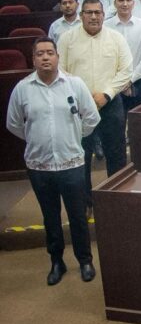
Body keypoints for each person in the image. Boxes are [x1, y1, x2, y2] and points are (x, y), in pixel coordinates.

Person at [6, 38, 101, 285]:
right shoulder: (23, 88)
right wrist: (36, 139)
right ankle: (57, 261)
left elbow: (91, 117)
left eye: (50, 53)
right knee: (50, 216)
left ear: (58, 56)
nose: (45, 57)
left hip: (72, 163)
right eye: (40, 54)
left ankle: (85, 260)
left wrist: (74, 138)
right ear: (33, 58)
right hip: (40, 166)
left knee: (78, 216)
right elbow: (13, 123)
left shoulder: (74, 84)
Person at [57, 0, 133, 190]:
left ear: (103, 15)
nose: (93, 16)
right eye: (88, 12)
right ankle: (85, 203)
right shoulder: (67, 39)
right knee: (80, 156)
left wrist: (106, 94)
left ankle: (116, 197)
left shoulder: (116, 38)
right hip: (77, 107)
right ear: (81, 15)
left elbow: (126, 71)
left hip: (110, 103)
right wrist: (82, 96)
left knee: (116, 154)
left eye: (97, 12)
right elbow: (60, 70)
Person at [105, 0, 141, 111]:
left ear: (133, 3)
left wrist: (130, 80)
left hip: (139, 82)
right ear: (114, 3)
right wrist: (121, 82)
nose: (125, 4)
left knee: (140, 126)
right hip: (112, 84)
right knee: (117, 127)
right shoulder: (106, 27)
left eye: (128, 0)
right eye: (121, 0)